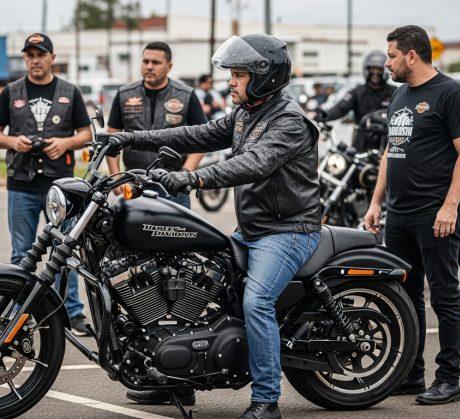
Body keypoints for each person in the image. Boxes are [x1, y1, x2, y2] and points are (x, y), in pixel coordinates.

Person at [110, 34, 321, 419]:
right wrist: (128, 137)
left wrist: (193, 179)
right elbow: (195, 134)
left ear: (264, 77)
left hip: (288, 231)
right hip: (254, 229)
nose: (231, 82)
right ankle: (177, 379)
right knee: (196, 278)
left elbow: (254, 163)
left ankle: (267, 400)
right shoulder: (245, 114)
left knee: (257, 303)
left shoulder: (289, 121)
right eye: (232, 74)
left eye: (238, 75)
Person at [364, 25, 460, 405]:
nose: (387, 63)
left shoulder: (451, 93)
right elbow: (389, 152)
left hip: (435, 213)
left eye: (392, 55)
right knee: (405, 294)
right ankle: (412, 374)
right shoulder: (400, 95)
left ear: (411, 55)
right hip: (398, 214)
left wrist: (450, 206)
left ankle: (449, 379)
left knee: (443, 296)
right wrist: (376, 202)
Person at [0, 33, 92, 335]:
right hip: (21, 182)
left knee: (65, 250)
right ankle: (22, 314)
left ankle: (69, 312)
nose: (35, 60)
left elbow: (86, 133)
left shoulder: (69, 92)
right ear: (25, 59)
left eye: (40, 54)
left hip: (61, 187)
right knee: (21, 252)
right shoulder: (11, 91)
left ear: (52, 58)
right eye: (30, 55)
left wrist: (66, 142)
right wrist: (12, 141)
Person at [106, 42, 207, 208]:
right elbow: (112, 138)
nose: (149, 67)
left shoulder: (186, 95)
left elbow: (203, 140)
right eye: (145, 62)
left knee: (174, 233)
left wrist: (185, 174)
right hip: (133, 183)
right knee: (130, 234)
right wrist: (116, 179)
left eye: (156, 63)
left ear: (169, 66)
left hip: (172, 186)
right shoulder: (125, 94)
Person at [317, 50, 397, 151]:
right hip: (361, 143)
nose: (375, 72)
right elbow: (341, 108)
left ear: (385, 70)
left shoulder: (395, 92)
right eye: (372, 68)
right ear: (366, 70)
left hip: (387, 144)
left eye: (379, 69)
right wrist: (325, 115)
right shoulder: (357, 91)